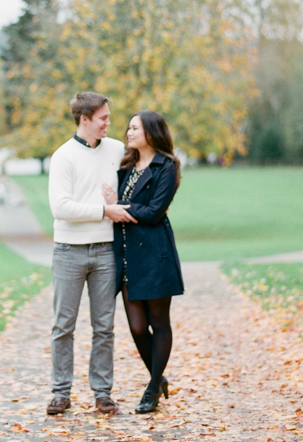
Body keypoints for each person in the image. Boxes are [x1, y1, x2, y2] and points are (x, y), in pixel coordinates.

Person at [46, 92, 136, 416]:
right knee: (63, 326)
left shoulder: (115, 149)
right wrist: (104, 210)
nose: (109, 124)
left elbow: (140, 172)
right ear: (84, 120)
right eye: (103, 118)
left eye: (108, 117)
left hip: (105, 250)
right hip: (69, 250)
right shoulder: (63, 157)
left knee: (104, 326)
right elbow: (60, 207)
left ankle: (102, 392)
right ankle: (60, 392)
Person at [102, 110, 184, 413]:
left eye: (135, 128)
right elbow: (129, 208)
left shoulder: (168, 166)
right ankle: (158, 377)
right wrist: (113, 205)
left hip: (155, 253)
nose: (128, 132)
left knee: (159, 322)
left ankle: (151, 389)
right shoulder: (126, 165)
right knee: (137, 327)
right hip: (127, 255)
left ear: (151, 131)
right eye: (128, 128)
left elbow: (154, 212)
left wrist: (118, 205)